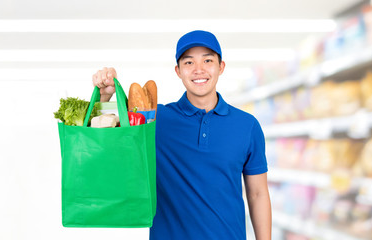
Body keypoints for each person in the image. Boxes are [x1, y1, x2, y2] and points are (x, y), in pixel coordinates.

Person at [92, 30, 271, 240]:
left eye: (207, 60)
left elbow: (257, 193)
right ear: (178, 70)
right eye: (188, 63)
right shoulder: (155, 120)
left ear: (221, 67)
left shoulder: (247, 125)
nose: (199, 70)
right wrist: (104, 96)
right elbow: (104, 139)